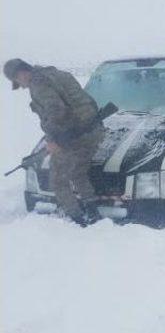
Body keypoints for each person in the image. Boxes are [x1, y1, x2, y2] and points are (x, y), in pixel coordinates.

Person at [3, 58, 105, 226]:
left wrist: (52, 140)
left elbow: (56, 111)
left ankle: (78, 220)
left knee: (58, 181)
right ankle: (92, 211)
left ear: (21, 73)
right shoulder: (55, 74)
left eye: (17, 81)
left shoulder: (39, 84)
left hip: (72, 135)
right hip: (91, 130)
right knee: (78, 173)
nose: (20, 85)